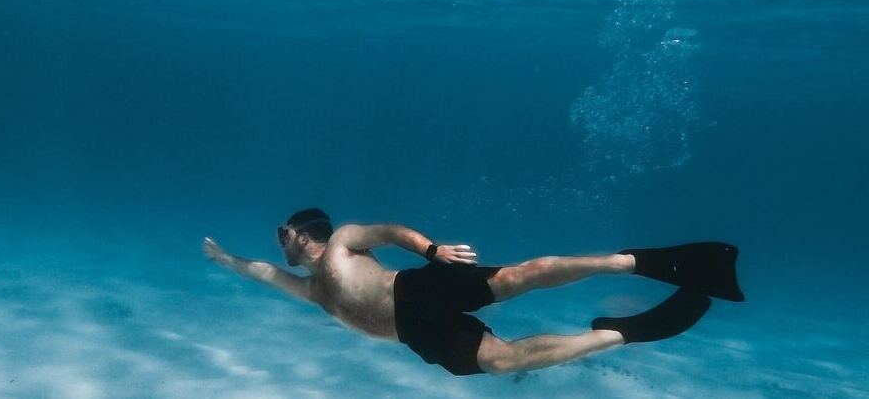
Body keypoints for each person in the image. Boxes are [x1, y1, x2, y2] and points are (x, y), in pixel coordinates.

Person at [202, 208, 743, 376]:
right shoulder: (312, 290)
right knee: (504, 363)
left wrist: (431, 251)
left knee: (520, 277)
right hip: (413, 332)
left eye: (283, 235)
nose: (280, 246)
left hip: (417, 288)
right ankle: (626, 333)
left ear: (303, 232)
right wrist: (228, 261)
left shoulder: (342, 242)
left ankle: (641, 261)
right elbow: (266, 276)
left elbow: (387, 232)